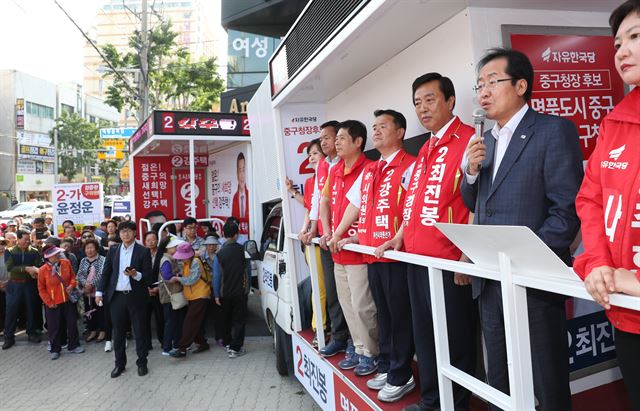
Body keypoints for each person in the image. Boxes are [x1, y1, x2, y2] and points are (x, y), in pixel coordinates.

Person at [461, 48, 584, 410]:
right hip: (491, 282)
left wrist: (526, 261)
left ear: (520, 85)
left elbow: (566, 211)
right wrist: (470, 172)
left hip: (534, 283)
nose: (483, 92)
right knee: (499, 378)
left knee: (547, 381)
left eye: (492, 82)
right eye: (479, 85)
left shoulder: (552, 130)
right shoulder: (485, 140)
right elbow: (477, 203)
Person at [376, 73, 478, 411]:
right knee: (428, 337)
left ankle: (457, 404)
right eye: (417, 102)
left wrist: (466, 255)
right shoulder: (425, 148)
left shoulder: (469, 141)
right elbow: (415, 204)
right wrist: (398, 237)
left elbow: (478, 201)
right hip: (417, 260)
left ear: (450, 101)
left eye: (430, 99)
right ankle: (433, 400)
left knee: (456, 339)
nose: (422, 108)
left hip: (449, 263)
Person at [573, 2, 640, 409]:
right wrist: (597, 262)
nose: (622, 51)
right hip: (626, 311)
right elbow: (591, 197)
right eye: (618, 43)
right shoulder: (615, 121)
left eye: (636, 37)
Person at [334, 109, 416, 401]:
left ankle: (401, 374)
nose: (377, 131)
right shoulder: (372, 169)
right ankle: (388, 365)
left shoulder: (410, 165)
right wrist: (344, 234)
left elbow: (413, 207)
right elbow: (355, 206)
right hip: (372, 255)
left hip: (396, 256)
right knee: (384, 316)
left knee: (399, 317)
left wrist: (398, 237)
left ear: (400, 132)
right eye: (374, 127)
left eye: (383, 126)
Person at [321, 120, 377, 373]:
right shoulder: (334, 171)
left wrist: (340, 234)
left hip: (358, 251)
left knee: (363, 306)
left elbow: (358, 209)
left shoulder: (369, 169)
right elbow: (325, 203)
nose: (337, 143)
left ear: (358, 142)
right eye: (338, 138)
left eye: (342, 138)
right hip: (338, 250)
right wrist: (329, 232)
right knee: (346, 305)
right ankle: (357, 347)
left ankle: (370, 352)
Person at [303, 121, 352, 359]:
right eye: (320, 138)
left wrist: (334, 231)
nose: (324, 142)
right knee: (332, 293)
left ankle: (353, 341)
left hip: (344, 238)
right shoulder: (324, 165)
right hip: (325, 237)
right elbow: (318, 201)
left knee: (351, 295)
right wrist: (314, 229)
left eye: (328, 137)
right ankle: (339, 337)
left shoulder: (347, 164)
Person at [95, 221, 153, 378]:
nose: (125, 234)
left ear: (135, 233)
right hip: (117, 297)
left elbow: (149, 277)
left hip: (136, 297)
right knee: (118, 333)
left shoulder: (143, 251)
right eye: (122, 232)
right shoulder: (113, 250)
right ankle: (119, 364)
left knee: (140, 331)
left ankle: (142, 363)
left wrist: (136, 274)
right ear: (119, 234)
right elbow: (106, 273)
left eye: (128, 231)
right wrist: (99, 291)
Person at [37, 245, 85, 360]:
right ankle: (55, 349)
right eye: (55, 254)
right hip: (53, 303)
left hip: (68, 300)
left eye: (58, 253)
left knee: (72, 324)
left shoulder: (65, 263)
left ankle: (74, 345)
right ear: (48, 257)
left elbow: (73, 277)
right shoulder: (43, 270)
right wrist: (48, 302)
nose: (58, 255)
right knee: (54, 327)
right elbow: (41, 289)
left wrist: (71, 285)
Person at [213, 220, 250, 358]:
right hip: (240, 292)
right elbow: (247, 272)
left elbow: (216, 276)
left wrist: (216, 294)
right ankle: (236, 348)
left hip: (224, 293)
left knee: (226, 319)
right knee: (239, 320)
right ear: (236, 234)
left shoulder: (219, 253)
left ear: (224, 234)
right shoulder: (243, 251)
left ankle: (228, 343)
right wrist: (247, 290)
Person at [2, 229, 43, 349]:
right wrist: (26, 269)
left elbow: (38, 265)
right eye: (25, 240)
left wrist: (34, 271)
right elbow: (10, 268)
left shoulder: (35, 252)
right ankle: (9, 337)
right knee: (11, 311)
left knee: (31, 309)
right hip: (14, 285)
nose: (28, 242)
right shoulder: (9, 251)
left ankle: (31, 333)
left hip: (30, 284)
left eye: (29, 240)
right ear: (18, 239)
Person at [169, 242, 211, 358]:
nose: (181, 259)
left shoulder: (195, 262)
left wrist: (177, 278)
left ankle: (182, 348)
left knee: (189, 322)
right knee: (195, 322)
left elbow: (192, 280)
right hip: (195, 296)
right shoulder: (189, 261)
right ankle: (202, 344)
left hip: (201, 295)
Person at [157, 236, 188, 356]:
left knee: (175, 320)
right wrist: (179, 277)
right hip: (170, 296)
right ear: (168, 248)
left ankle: (175, 345)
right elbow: (167, 277)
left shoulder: (170, 258)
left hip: (172, 295)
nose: (177, 248)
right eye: (175, 247)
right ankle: (167, 348)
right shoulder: (166, 260)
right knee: (171, 321)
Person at [76, 239, 107, 343]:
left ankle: (103, 331)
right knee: (89, 311)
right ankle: (92, 330)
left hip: (99, 291)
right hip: (87, 291)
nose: (89, 250)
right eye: (87, 248)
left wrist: (92, 284)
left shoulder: (102, 259)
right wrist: (85, 284)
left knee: (101, 312)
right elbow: (80, 274)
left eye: (91, 248)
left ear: (96, 249)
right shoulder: (83, 260)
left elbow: (102, 274)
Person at [144, 230, 164, 350]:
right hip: (145, 291)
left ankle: (163, 341)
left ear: (157, 240)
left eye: (153, 239)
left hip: (159, 289)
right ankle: (147, 343)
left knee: (160, 317)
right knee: (144, 319)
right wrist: (146, 288)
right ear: (145, 242)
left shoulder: (162, 254)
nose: (151, 242)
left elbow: (166, 273)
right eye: (148, 240)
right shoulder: (142, 254)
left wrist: (158, 288)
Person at [0, 237, 8, 333]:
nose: (1, 246)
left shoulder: (10, 255)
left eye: (2, 244)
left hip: (9, 284)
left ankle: (7, 327)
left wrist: (6, 283)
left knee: (7, 308)